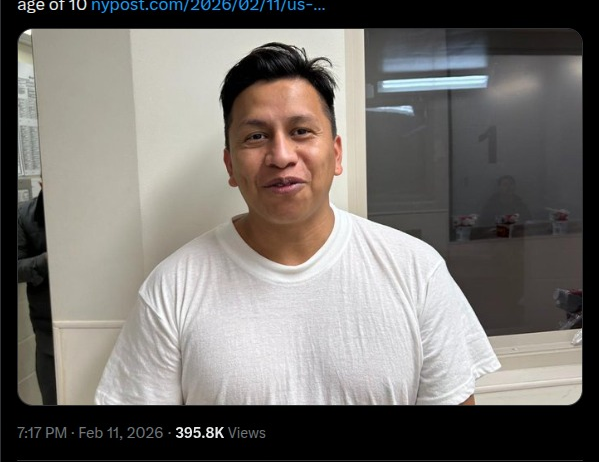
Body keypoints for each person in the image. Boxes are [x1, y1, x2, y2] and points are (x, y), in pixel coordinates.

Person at [95, 42, 500, 405]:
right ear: (230, 165)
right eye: (256, 137)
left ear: (336, 154)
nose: (281, 155)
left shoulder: (416, 270)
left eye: (301, 131)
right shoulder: (173, 288)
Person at [18, 184, 57, 405]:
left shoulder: (85, 206)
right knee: (52, 397)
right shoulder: (25, 214)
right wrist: (45, 260)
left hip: (90, 319)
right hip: (46, 328)